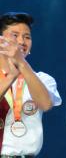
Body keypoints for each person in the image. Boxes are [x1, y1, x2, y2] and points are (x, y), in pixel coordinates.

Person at [0, 12, 62, 156]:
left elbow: (46, 104)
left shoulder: (43, 79)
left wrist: (21, 63)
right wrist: (11, 77)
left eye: (27, 37)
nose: (22, 41)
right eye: (15, 35)